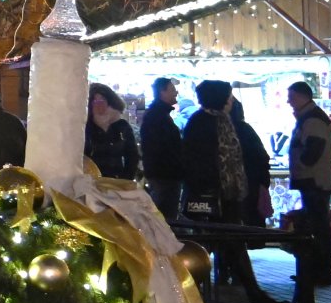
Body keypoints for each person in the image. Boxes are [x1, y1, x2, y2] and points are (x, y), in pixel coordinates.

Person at [225, 99, 281, 303]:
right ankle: (236, 274)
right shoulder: (243, 129)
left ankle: (229, 272)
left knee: (230, 232)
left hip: (236, 189)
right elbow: (260, 157)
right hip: (245, 185)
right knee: (235, 233)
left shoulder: (227, 128)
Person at [287, 81, 331, 286]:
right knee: (318, 225)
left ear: (301, 96)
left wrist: (301, 163)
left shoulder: (312, 119)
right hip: (315, 179)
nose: (288, 101)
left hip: (314, 180)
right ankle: (318, 269)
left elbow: (313, 149)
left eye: (291, 96)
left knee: (318, 226)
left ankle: (322, 271)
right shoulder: (311, 117)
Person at [181, 81, 249, 223]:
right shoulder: (203, 122)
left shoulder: (222, 119)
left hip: (225, 191)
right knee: (218, 231)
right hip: (211, 191)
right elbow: (198, 157)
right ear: (220, 98)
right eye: (228, 96)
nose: (231, 100)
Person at [140, 77, 185, 219]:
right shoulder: (157, 117)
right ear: (162, 92)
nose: (176, 92)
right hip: (164, 175)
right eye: (172, 89)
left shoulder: (159, 115)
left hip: (163, 174)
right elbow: (162, 147)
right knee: (164, 216)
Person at [83, 83, 141, 180]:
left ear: (110, 101)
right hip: (92, 184)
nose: (99, 104)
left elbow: (132, 157)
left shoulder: (122, 126)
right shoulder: (86, 127)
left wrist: (126, 179)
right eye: (94, 101)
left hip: (117, 182)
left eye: (102, 99)